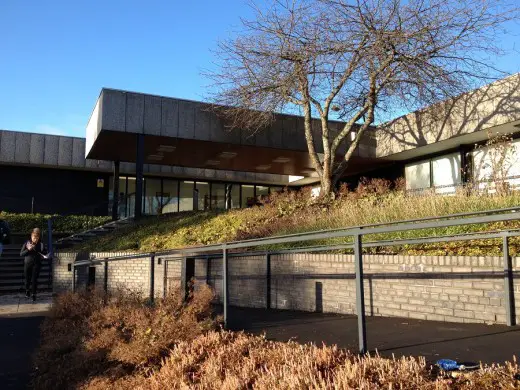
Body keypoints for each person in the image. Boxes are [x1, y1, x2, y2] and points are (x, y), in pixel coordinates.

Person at [20, 228, 48, 301]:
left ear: (39, 237)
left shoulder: (41, 244)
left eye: (37, 237)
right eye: (34, 237)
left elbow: (45, 252)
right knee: (27, 279)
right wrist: (28, 250)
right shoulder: (27, 243)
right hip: (27, 264)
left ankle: (34, 294)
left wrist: (45, 255)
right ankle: (27, 290)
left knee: (34, 279)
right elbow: (21, 254)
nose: (35, 239)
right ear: (31, 237)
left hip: (37, 264)